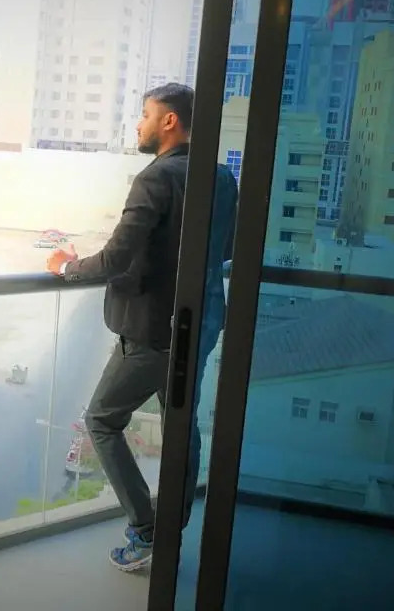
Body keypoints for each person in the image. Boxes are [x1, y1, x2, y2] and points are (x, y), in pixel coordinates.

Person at [46, 83, 238, 572]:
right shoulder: (220, 176)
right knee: (182, 426)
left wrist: (66, 266)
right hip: (198, 325)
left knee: (101, 420)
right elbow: (225, 250)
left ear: (169, 121)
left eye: (145, 114)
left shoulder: (155, 179)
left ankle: (148, 531)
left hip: (152, 332)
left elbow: (115, 258)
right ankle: (171, 530)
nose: (138, 123)